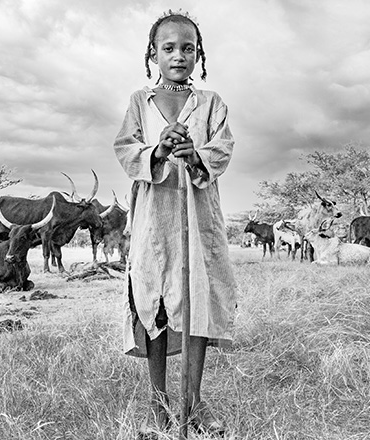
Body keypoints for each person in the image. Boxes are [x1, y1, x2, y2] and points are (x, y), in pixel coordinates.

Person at [113, 10, 237, 438]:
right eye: (169, 48)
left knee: (198, 299)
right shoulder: (139, 102)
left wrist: (195, 154)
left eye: (188, 48)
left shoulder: (212, 103)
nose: (179, 56)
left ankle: (193, 400)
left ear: (198, 54)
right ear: (153, 54)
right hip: (154, 215)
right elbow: (126, 148)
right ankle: (158, 400)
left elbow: (222, 148)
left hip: (197, 213)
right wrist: (159, 150)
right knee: (154, 302)